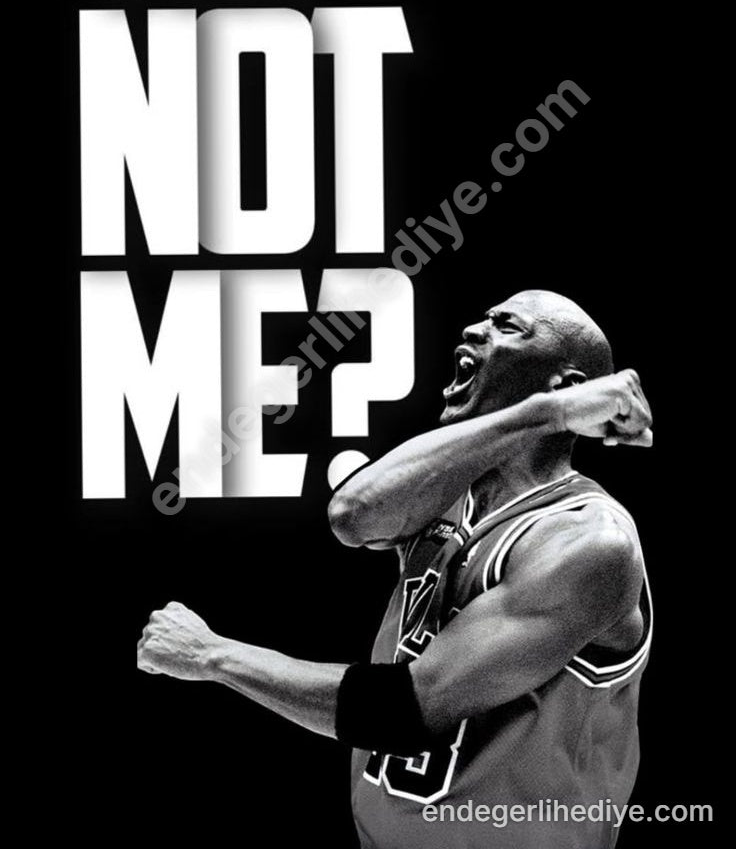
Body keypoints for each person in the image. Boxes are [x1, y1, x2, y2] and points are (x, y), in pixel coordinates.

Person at [138, 289, 653, 848]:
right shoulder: (447, 498)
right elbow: (351, 516)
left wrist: (212, 655)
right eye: (482, 317)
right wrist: (545, 413)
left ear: (569, 385)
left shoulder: (588, 540)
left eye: (507, 327)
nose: (474, 330)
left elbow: (401, 711)